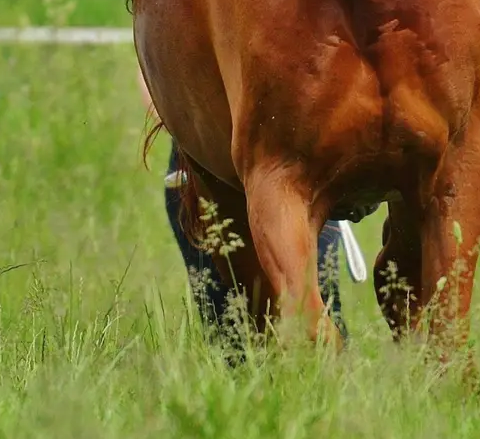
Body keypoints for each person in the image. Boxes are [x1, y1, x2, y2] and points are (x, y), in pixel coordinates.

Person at [138, 68, 349, 335]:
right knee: (232, 320)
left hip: (294, 162)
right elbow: (154, 72)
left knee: (320, 302)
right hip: (208, 159)